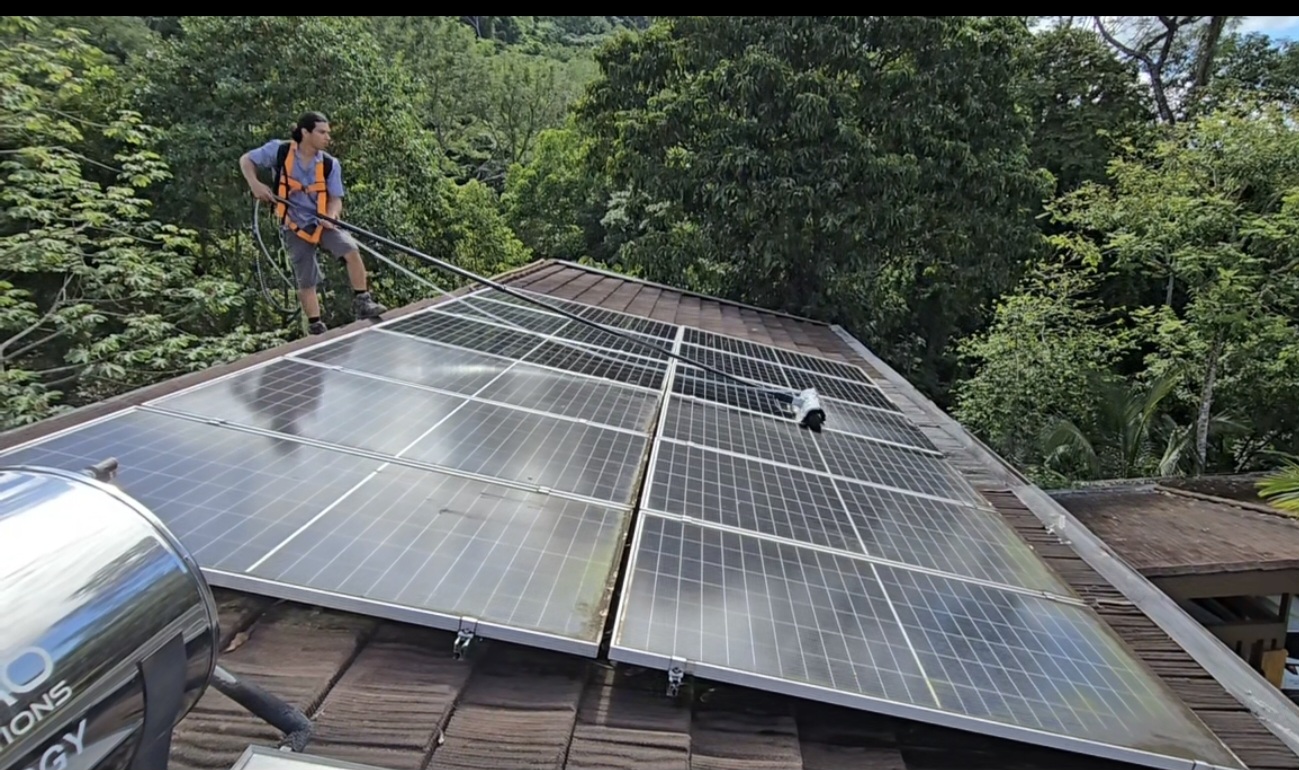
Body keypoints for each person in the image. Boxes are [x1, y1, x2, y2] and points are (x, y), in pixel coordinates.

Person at [239, 111, 386, 335]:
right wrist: (255, 184)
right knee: (306, 276)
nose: (328, 137)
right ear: (305, 132)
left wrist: (332, 216)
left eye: (328, 133)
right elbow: (246, 160)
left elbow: (336, 198)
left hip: (322, 222)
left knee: (351, 249)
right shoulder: (279, 150)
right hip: (294, 224)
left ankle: (362, 301)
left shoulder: (329, 164)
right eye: (322, 132)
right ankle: (316, 325)